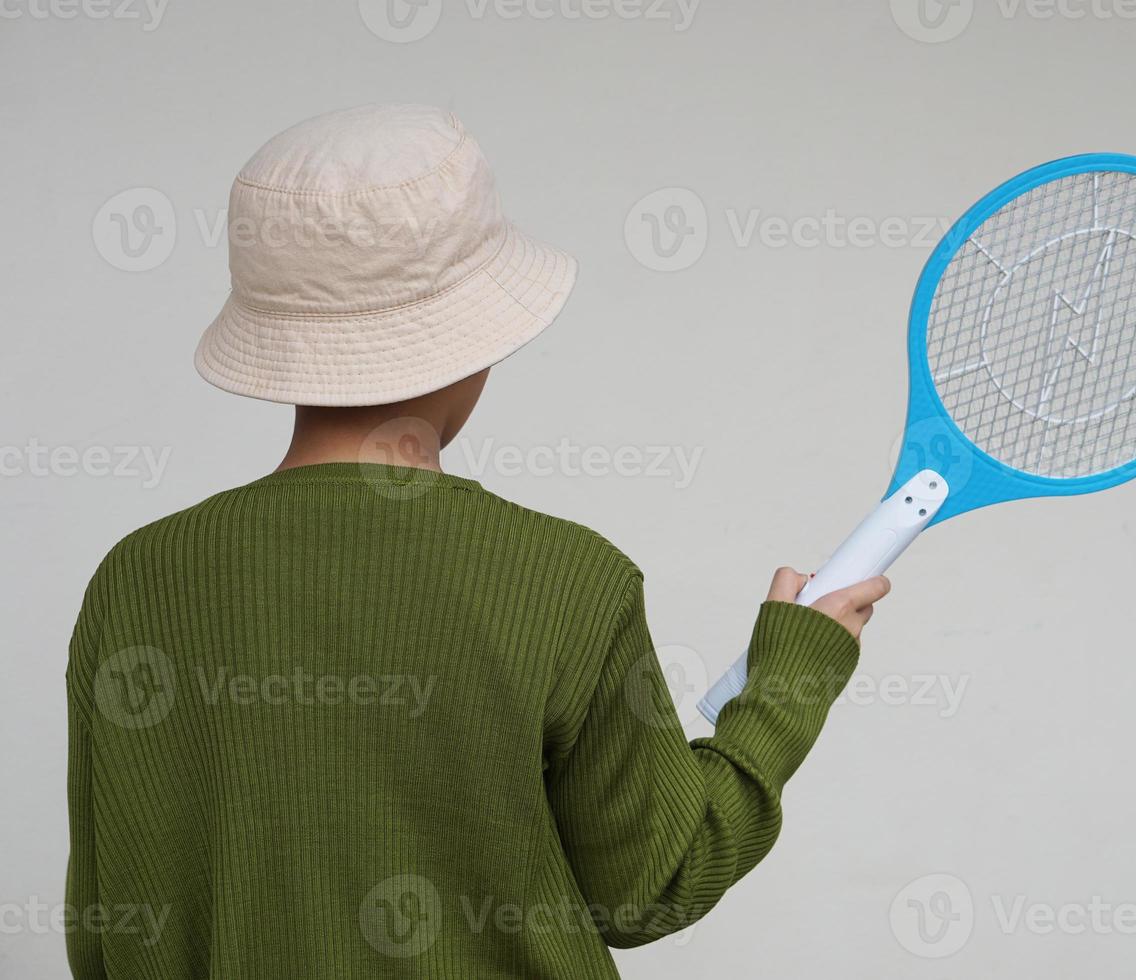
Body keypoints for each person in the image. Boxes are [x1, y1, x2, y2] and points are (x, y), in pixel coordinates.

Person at [64, 103, 889, 979]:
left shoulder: (136, 581)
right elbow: (650, 884)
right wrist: (787, 684)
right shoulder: (570, 581)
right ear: (472, 341)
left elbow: (105, 931)